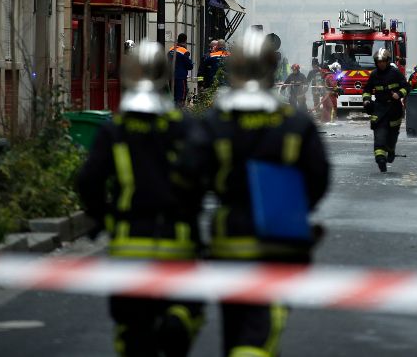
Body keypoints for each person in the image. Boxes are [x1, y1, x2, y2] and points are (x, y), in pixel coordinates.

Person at [196, 26, 330, 357]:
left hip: (230, 238)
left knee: (234, 319)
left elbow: (192, 174)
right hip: (280, 240)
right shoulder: (294, 122)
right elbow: (318, 178)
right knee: (264, 321)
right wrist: (292, 209)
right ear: (273, 69)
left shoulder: (216, 121)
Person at [76, 42, 204, 357]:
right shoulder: (182, 126)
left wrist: (102, 216)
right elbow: (202, 174)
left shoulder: (114, 129)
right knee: (186, 303)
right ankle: (178, 317)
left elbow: (88, 180)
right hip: (177, 235)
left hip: (128, 237)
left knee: (131, 323)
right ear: (164, 76)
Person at [362, 49, 409, 172]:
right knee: (379, 136)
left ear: (387, 61)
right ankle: (380, 159)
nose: (381, 64)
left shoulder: (395, 73)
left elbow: (407, 87)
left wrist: (399, 94)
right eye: (378, 62)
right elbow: (366, 90)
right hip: (379, 110)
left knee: (392, 137)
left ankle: (391, 150)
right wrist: (366, 100)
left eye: (383, 61)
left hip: (394, 110)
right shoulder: (374, 75)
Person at [168, 33, 194, 107]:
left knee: (172, 97)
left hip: (171, 78)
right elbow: (189, 66)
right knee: (180, 98)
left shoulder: (170, 50)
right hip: (180, 78)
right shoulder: (184, 51)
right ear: (185, 41)